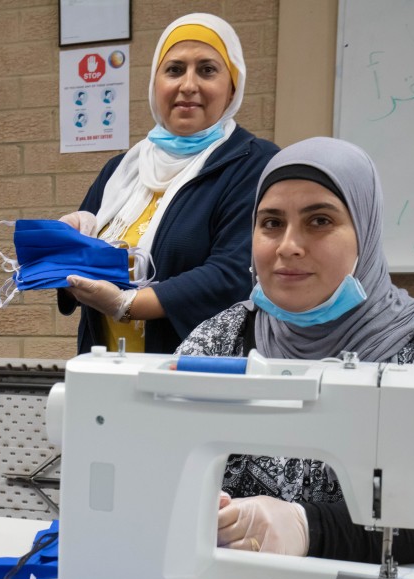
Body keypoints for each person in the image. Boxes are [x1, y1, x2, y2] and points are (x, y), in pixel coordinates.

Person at [177, 137, 414, 563]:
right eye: (271, 223)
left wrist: (309, 528)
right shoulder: (218, 340)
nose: (288, 246)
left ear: (365, 233)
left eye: (319, 221)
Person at [57, 13, 278, 354]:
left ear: (233, 85)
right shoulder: (122, 169)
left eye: (207, 70)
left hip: (194, 379)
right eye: (174, 70)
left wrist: (126, 303)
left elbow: (232, 274)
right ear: (155, 82)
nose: (188, 85)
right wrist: (66, 242)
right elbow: (76, 269)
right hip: (106, 370)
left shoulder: (253, 164)